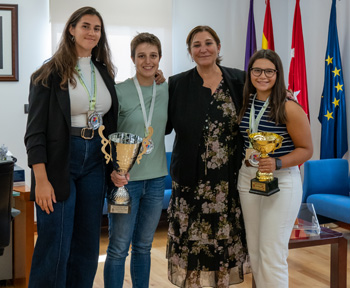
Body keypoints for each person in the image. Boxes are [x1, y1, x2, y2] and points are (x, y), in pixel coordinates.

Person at [24, 7, 119, 288]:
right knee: (56, 242)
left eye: (97, 28)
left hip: (96, 160)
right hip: (59, 162)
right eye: (86, 26)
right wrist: (41, 180)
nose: (92, 33)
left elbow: (111, 120)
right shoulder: (48, 73)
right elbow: (35, 133)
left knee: (87, 243)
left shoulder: (103, 71)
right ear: (71, 29)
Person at [166, 25, 247, 288]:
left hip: (227, 181)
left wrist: (287, 95)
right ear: (190, 52)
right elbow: (162, 124)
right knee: (192, 243)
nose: (203, 49)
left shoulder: (239, 80)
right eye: (197, 45)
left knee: (221, 242)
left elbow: (266, 98)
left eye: (208, 43)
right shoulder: (176, 83)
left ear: (218, 47)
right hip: (190, 179)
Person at [237, 49, 313, 288]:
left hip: (281, 180)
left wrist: (278, 162)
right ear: (249, 73)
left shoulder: (288, 107)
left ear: (278, 74)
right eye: (257, 70)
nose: (262, 76)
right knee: (256, 252)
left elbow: (306, 149)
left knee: (272, 253)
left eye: (269, 71)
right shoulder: (245, 102)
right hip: (248, 178)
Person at [103, 32, 168, 288]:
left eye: (153, 55)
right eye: (141, 56)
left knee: (143, 246)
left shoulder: (166, 88)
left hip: (155, 180)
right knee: (119, 248)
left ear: (160, 58)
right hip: (124, 182)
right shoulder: (118, 91)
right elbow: (106, 137)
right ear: (133, 58)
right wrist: (112, 171)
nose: (148, 61)